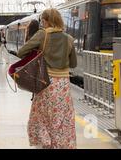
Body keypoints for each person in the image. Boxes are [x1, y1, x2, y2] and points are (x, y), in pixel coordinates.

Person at [16, 8, 77, 149]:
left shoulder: (42, 35)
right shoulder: (68, 38)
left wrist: (39, 52)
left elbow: (21, 52)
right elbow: (73, 64)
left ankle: (46, 143)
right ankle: (61, 144)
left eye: (43, 21)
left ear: (47, 21)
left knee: (42, 116)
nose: (42, 23)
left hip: (46, 83)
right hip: (63, 85)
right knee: (62, 117)